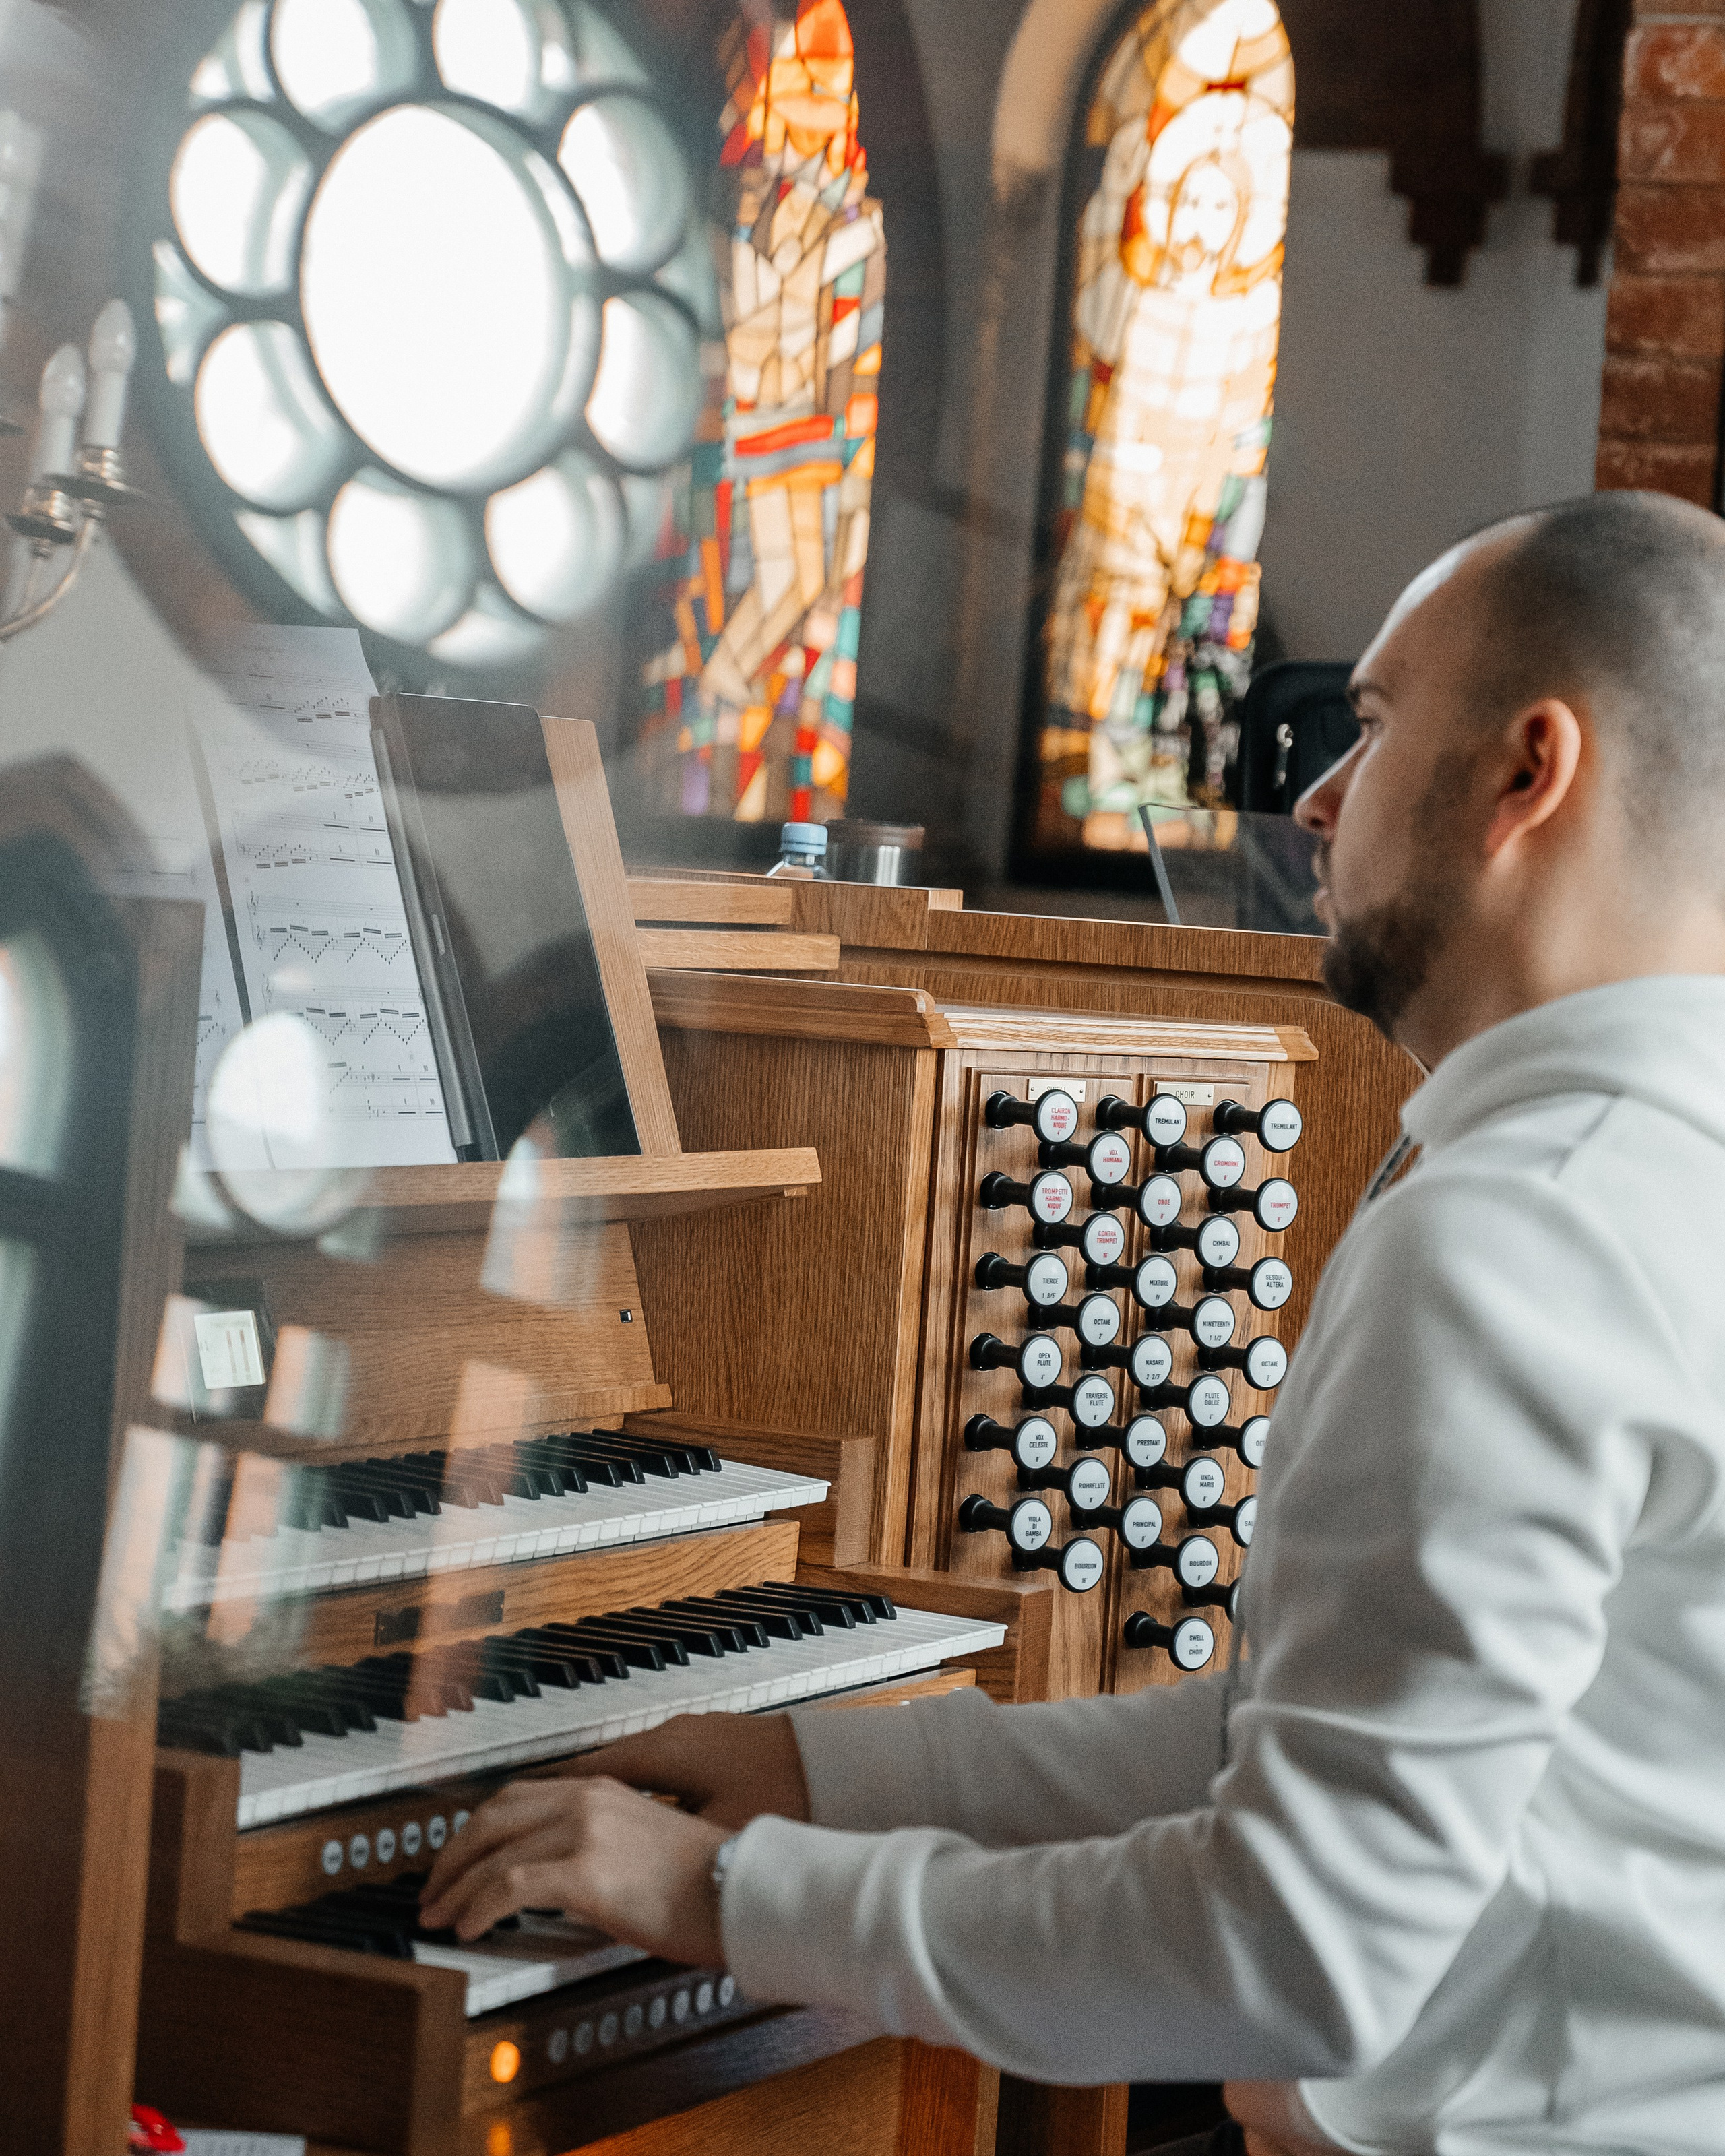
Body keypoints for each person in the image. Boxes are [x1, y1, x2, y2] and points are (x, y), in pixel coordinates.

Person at [424, 491, 1725, 2156]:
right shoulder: (1639, 1175)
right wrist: (837, 1776)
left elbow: (1290, 1948)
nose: (1318, 798)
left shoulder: (1521, 1229)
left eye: (1374, 723)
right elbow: (1285, 1736)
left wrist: (729, 1891)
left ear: (1523, 773)